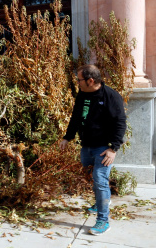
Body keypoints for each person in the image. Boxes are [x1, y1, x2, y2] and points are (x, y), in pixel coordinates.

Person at [60, 64, 126, 235]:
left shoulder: (111, 96)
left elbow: (120, 123)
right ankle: (100, 202)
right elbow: (76, 115)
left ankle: (103, 221)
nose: (77, 82)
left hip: (104, 149)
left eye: (79, 79)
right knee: (90, 175)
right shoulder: (83, 94)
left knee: (100, 178)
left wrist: (114, 149)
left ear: (90, 80)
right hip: (86, 146)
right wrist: (68, 137)